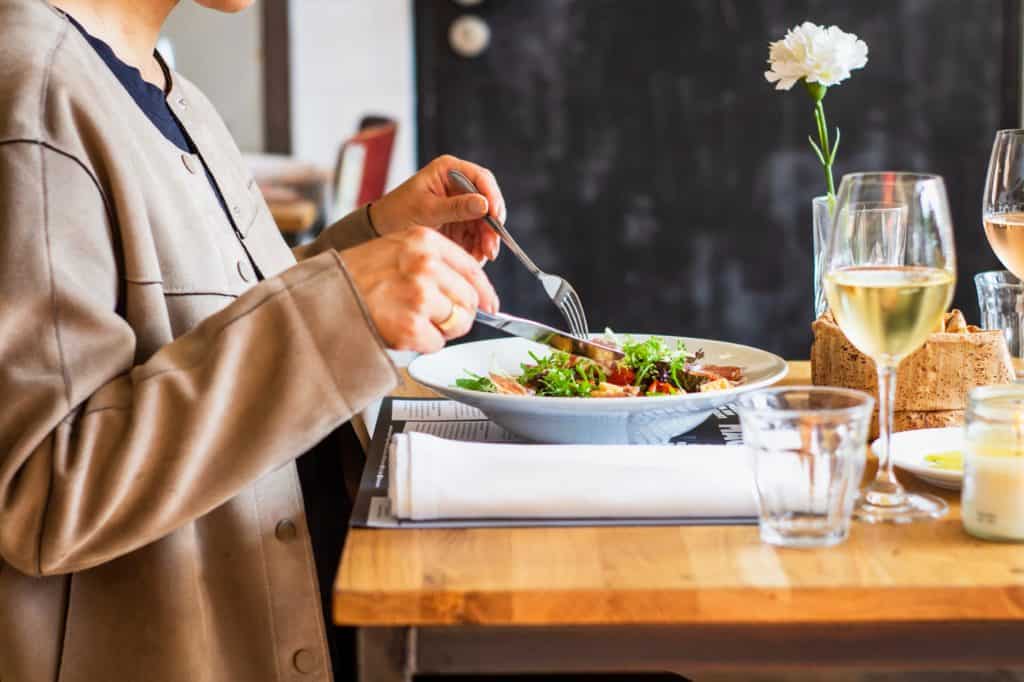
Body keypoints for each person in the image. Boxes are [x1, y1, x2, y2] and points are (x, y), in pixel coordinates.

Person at [0, 0, 505, 680]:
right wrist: (341, 305)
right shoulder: (33, 93)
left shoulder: (173, 96)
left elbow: (215, 327)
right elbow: (43, 493)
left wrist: (368, 240)